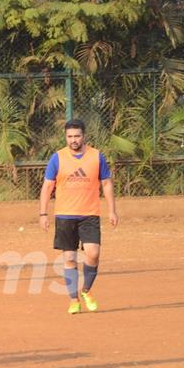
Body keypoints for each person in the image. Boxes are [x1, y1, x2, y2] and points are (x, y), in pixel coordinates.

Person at [39, 119, 118, 314]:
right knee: (70, 258)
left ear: (84, 136)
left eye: (77, 136)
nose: (73, 140)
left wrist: (112, 210)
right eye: (70, 136)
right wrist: (43, 213)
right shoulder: (57, 158)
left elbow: (106, 183)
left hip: (90, 214)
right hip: (65, 216)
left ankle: (86, 290)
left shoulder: (96, 156)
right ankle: (73, 299)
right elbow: (47, 186)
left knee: (93, 254)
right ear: (66, 137)